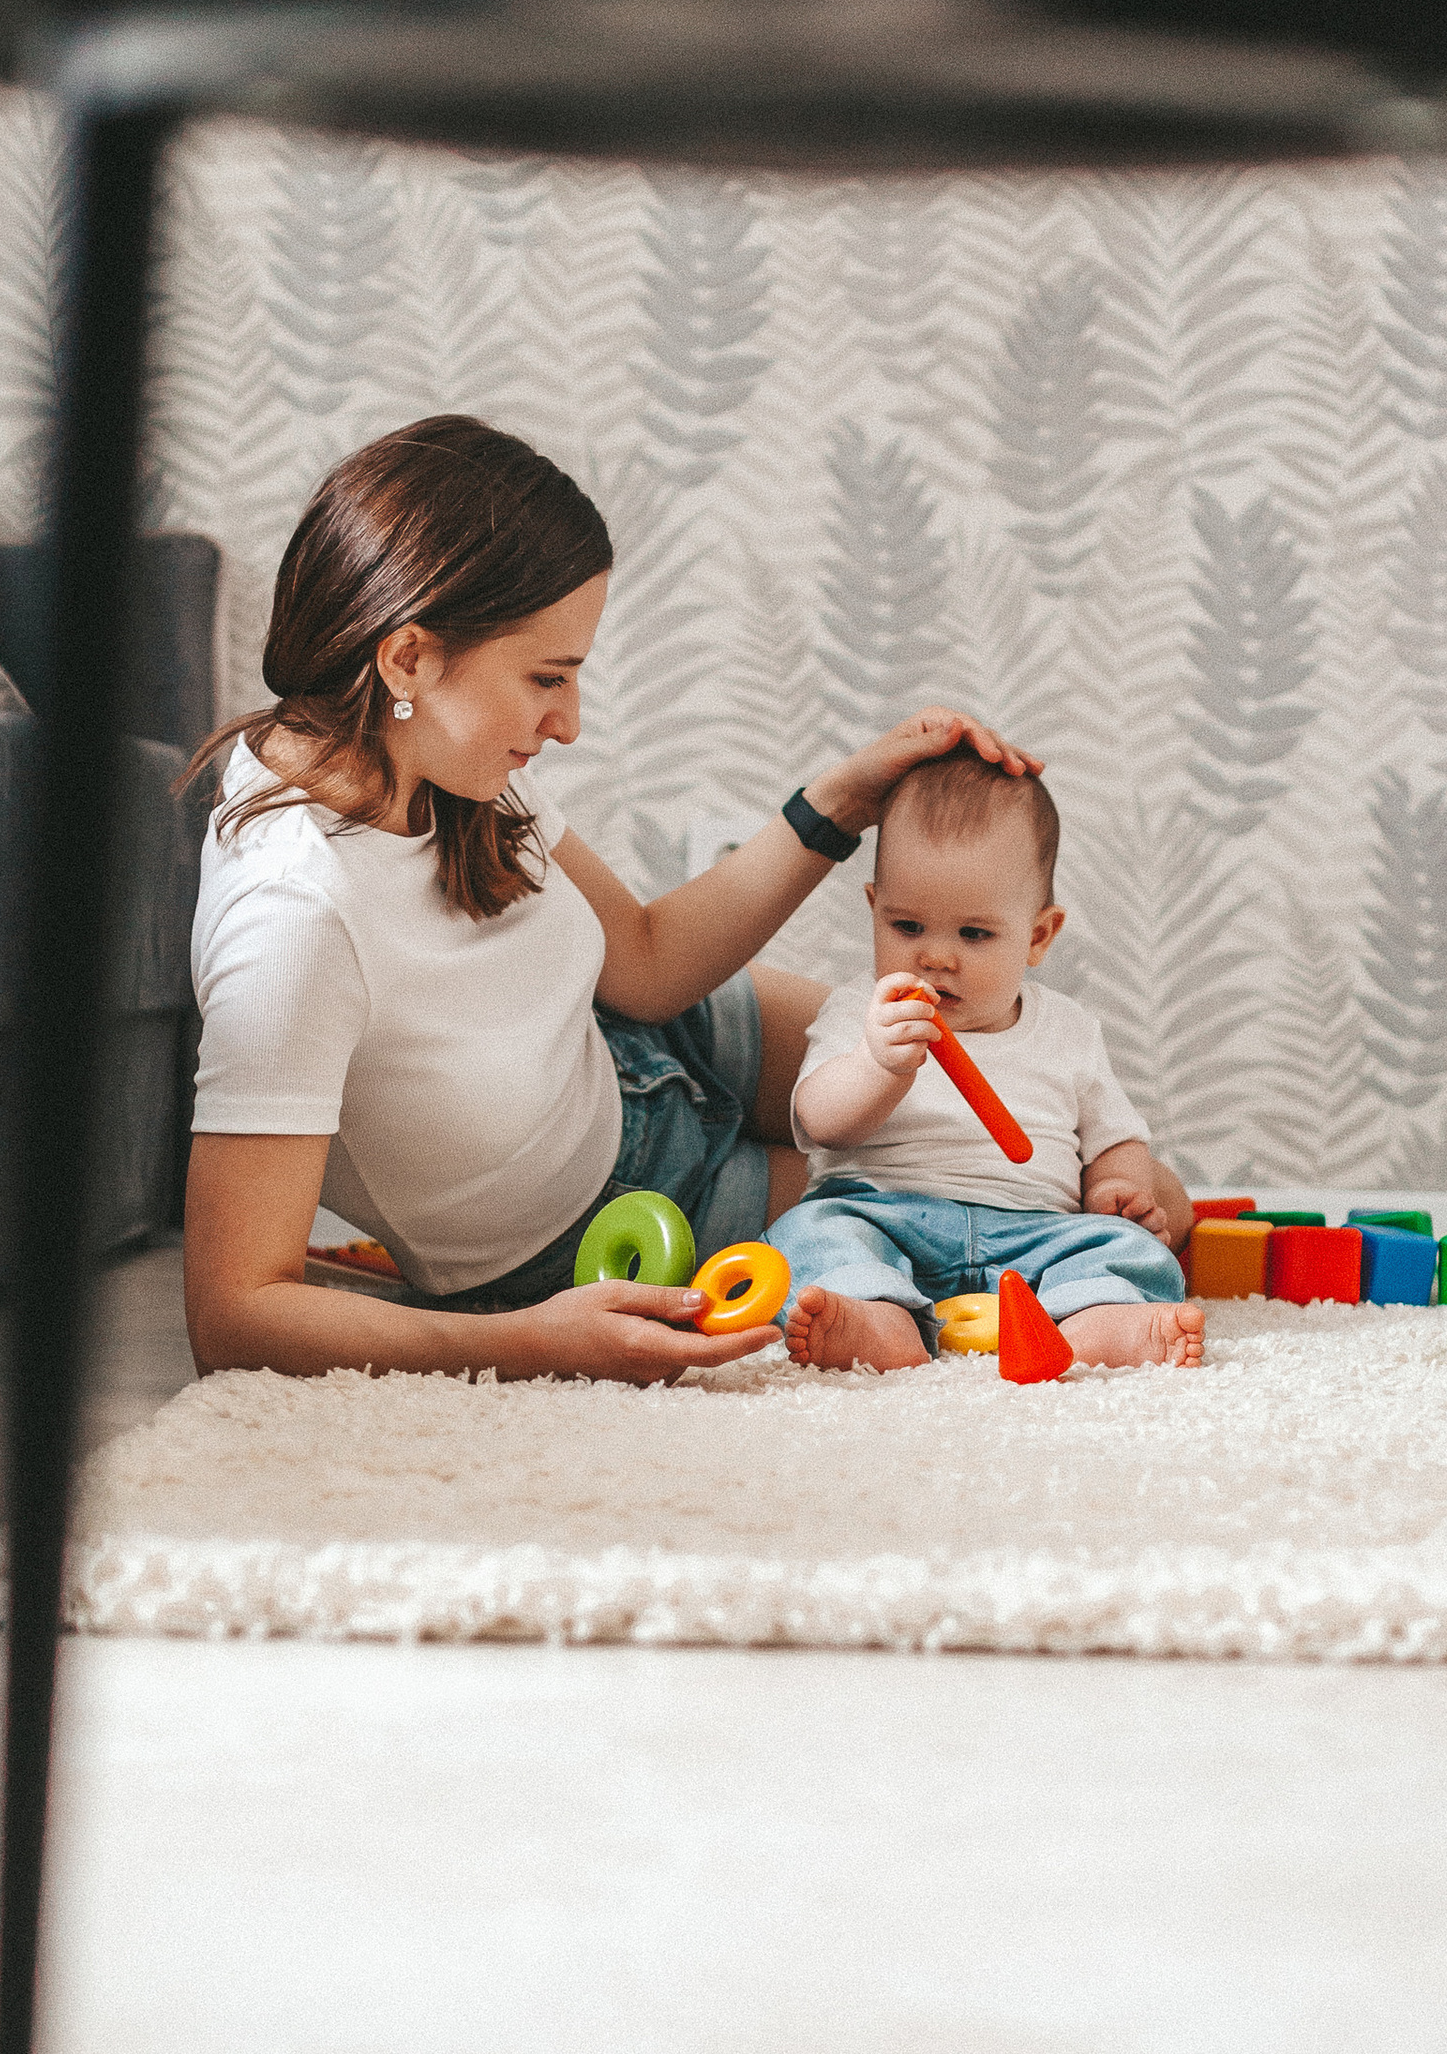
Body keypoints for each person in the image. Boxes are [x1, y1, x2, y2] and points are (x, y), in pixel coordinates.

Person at [180, 415, 1037, 1383]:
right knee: (990, 1207)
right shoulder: (292, 918)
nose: (569, 724)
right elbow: (233, 1314)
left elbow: (647, 963)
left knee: (1015, 1095)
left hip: (644, 1037)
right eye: (547, 678)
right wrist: (530, 1341)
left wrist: (841, 800)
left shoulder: (429, 754)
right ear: (408, 657)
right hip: (618, 1211)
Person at [773, 751, 1204, 1371]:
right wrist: (878, 1065)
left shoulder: (1069, 1029)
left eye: (973, 934)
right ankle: (874, 1317)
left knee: (1128, 1247)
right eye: (908, 926)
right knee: (808, 1233)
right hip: (885, 1215)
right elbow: (820, 1122)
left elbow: (1116, 1139)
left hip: (1037, 1231)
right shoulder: (861, 1012)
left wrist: (1118, 1189)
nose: (935, 957)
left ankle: (1098, 1322)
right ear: (874, 909)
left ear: (1038, 936)